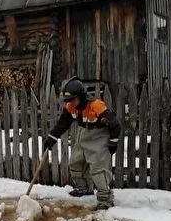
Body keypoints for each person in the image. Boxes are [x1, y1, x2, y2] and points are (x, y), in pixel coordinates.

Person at [42, 77, 121, 210]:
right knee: (75, 161)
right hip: (83, 134)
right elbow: (63, 123)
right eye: (68, 100)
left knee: (98, 168)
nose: (70, 103)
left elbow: (115, 125)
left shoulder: (96, 106)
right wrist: (52, 138)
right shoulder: (71, 107)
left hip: (99, 136)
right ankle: (83, 188)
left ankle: (105, 198)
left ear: (81, 96)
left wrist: (113, 142)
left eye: (72, 99)